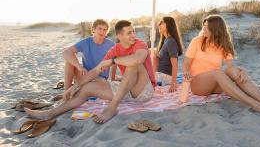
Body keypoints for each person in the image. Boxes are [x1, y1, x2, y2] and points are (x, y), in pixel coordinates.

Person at [25, 20, 156, 123]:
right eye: (129, 33)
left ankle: (112, 108)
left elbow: (138, 59)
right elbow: (95, 71)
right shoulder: (114, 49)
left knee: (133, 65)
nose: (133, 35)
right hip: (126, 93)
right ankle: (49, 114)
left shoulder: (140, 44)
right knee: (87, 88)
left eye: (133, 31)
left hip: (144, 91)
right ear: (120, 35)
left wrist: (113, 61)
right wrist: (75, 86)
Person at [182, 14, 260, 116]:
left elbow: (231, 67)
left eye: (207, 27)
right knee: (218, 73)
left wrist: (242, 71)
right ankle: (256, 105)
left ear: (215, 29)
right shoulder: (197, 41)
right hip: (198, 84)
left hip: (216, 84)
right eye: (203, 26)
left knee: (234, 72)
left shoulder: (223, 45)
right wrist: (186, 71)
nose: (203, 29)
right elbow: (186, 63)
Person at [62, 19, 115, 100]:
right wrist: (79, 66)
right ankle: (67, 93)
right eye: (99, 28)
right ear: (93, 29)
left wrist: (112, 79)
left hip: (100, 78)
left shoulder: (111, 45)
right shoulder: (86, 42)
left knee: (99, 83)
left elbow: (116, 62)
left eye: (105, 30)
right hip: (84, 74)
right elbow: (66, 52)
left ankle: (80, 91)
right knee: (69, 62)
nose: (102, 32)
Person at [153, 16, 183, 92]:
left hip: (164, 77)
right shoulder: (166, 41)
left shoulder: (171, 41)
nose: (159, 24)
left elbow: (175, 65)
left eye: (162, 22)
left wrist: (173, 83)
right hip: (160, 75)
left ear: (169, 25)